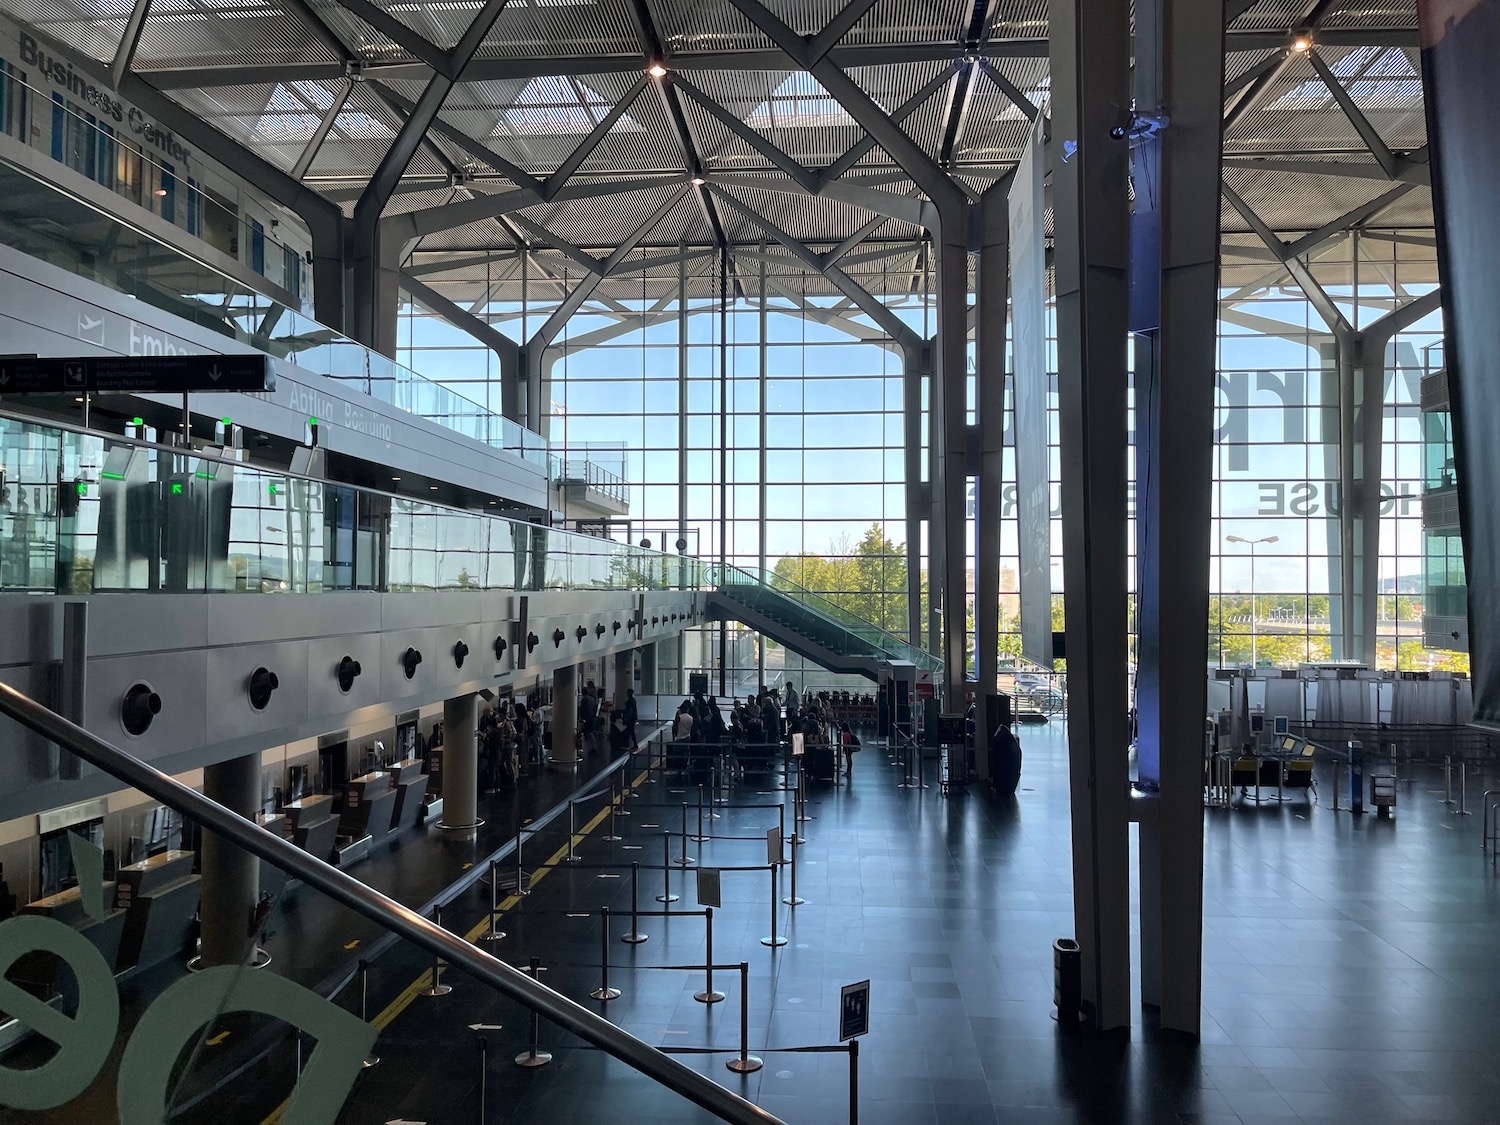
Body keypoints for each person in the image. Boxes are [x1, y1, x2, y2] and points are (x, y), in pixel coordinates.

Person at [988, 720, 1023, 797]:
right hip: (1009, 775)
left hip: (1004, 774)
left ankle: (1003, 788)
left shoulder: (1000, 741)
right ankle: (1007, 789)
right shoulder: (1010, 742)